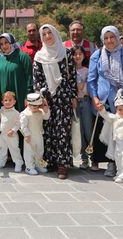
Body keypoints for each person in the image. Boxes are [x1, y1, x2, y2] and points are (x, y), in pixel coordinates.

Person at [87, 26, 123, 177]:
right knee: (109, 134)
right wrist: (95, 98)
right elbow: (91, 80)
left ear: (117, 37)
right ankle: (111, 162)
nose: (109, 41)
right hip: (103, 102)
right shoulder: (97, 56)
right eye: (106, 38)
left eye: (112, 37)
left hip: (122, 101)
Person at [32, 24, 77, 179]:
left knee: (62, 129)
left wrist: (73, 96)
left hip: (63, 96)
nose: (47, 36)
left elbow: (72, 76)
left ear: (55, 34)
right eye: (43, 34)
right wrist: (41, 96)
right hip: (47, 98)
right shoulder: (39, 56)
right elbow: (37, 79)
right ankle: (51, 161)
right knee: (48, 129)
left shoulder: (66, 52)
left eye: (49, 33)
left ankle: (63, 165)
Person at [0, 33, 33, 156]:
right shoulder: (0, 60)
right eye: (2, 44)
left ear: (12, 42)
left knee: (20, 124)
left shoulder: (23, 57)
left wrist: (28, 95)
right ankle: (9, 155)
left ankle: (24, 156)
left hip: (20, 98)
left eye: (6, 43)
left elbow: (29, 77)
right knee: (7, 126)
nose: (4, 46)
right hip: (4, 101)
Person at [72, 45, 94, 170]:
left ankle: (92, 156)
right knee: (78, 131)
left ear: (84, 56)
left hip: (85, 101)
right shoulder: (69, 70)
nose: (77, 56)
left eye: (80, 54)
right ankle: (84, 158)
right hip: (75, 103)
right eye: (75, 54)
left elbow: (90, 86)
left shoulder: (87, 70)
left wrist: (82, 88)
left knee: (88, 129)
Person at [20, 92, 50, 175]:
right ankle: (29, 166)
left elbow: (46, 117)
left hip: (39, 135)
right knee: (29, 152)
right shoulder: (25, 114)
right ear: (28, 104)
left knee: (40, 150)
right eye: (34, 106)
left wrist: (46, 110)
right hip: (30, 136)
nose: (36, 108)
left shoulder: (40, 111)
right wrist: (27, 134)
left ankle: (39, 164)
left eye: (38, 106)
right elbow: (23, 126)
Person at [0, 91, 23, 172]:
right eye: (5, 100)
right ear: (2, 102)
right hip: (3, 134)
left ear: (14, 102)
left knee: (14, 149)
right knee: (2, 149)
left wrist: (13, 130)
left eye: (10, 100)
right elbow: (0, 114)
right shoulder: (2, 110)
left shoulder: (16, 113)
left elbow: (18, 124)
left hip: (12, 135)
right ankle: (0, 163)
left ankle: (18, 163)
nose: (8, 102)